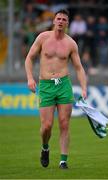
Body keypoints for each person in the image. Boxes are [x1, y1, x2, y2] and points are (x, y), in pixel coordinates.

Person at [25, 9, 87, 169]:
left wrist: (84, 88)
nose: (60, 21)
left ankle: (63, 160)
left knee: (64, 123)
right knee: (46, 126)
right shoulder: (43, 38)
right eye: (58, 18)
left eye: (64, 19)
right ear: (54, 21)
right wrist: (30, 78)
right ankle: (45, 147)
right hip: (46, 86)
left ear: (67, 23)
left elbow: (79, 68)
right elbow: (29, 58)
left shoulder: (71, 43)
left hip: (64, 85)